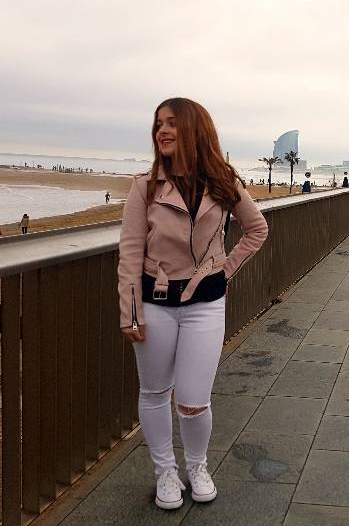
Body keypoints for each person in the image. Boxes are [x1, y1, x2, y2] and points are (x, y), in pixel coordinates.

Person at [117, 98, 269, 511]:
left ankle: (197, 466)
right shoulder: (144, 187)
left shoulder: (224, 182)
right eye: (158, 124)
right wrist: (130, 313)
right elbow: (130, 255)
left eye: (172, 123)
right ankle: (165, 470)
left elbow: (257, 230)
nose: (162, 130)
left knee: (193, 398)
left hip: (206, 304)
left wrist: (222, 270)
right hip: (155, 303)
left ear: (194, 130)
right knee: (153, 391)